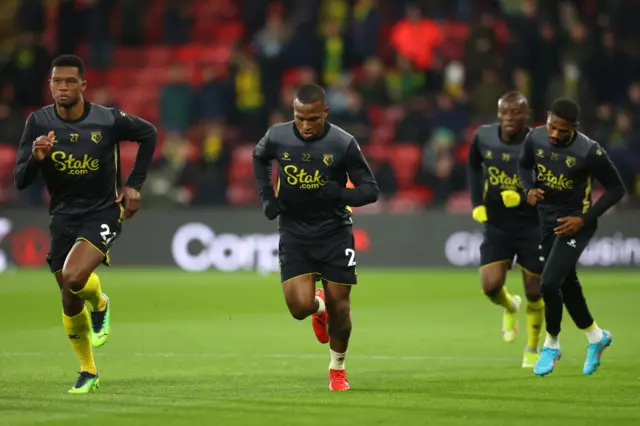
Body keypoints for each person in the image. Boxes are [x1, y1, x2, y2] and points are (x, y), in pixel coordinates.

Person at [13, 55, 157, 393]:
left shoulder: (107, 119)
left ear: (83, 86)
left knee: (75, 276)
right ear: (49, 84)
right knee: (69, 295)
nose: (62, 87)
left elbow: (149, 133)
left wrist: (134, 185)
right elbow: (20, 180)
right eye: (56, 81)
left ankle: (98, 305)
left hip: (104, 211)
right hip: (62, 216)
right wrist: (36, 158)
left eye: (70, 81)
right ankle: (88, 368)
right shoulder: (38, 123)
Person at [252, 83, 379, 391]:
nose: (306, 125)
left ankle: (338, 368)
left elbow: (370, 190)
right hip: (295, 233)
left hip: (334, 233)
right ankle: (316, 307)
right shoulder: (277, 136)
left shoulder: (343, 143)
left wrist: (340, 193)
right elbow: (259, 157)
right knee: (298, 308)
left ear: (325, 112)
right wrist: (267, 196)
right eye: (299, 118)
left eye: (312, 118)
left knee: (342, 307)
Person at [518, 98, 625, 377]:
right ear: (547, 118)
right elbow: (523, 166)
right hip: (547, 221)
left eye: (562, 131)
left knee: (549, 282)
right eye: (552, 127)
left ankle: (551, 345)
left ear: (574, 128)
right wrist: (528, 189)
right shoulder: (535, 137)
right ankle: (596, 337)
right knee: (567, 284)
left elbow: (616, 189)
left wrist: (583, 220)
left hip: (577, 222)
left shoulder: (589, 151)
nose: (554, 135)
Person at [467, 91, 544, 368]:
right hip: (498, 224)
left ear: (527, 116)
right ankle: (510, 305)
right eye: (505, 113)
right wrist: (477, 202)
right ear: (498, 114)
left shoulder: (540, 143)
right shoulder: (483, 137)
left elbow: (554, 186)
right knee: (490, 286)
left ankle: (533, 347)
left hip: (532, 226)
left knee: (535, 291)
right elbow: (473, 167)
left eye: (516, 113)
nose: (510, 118)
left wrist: (523, 197)